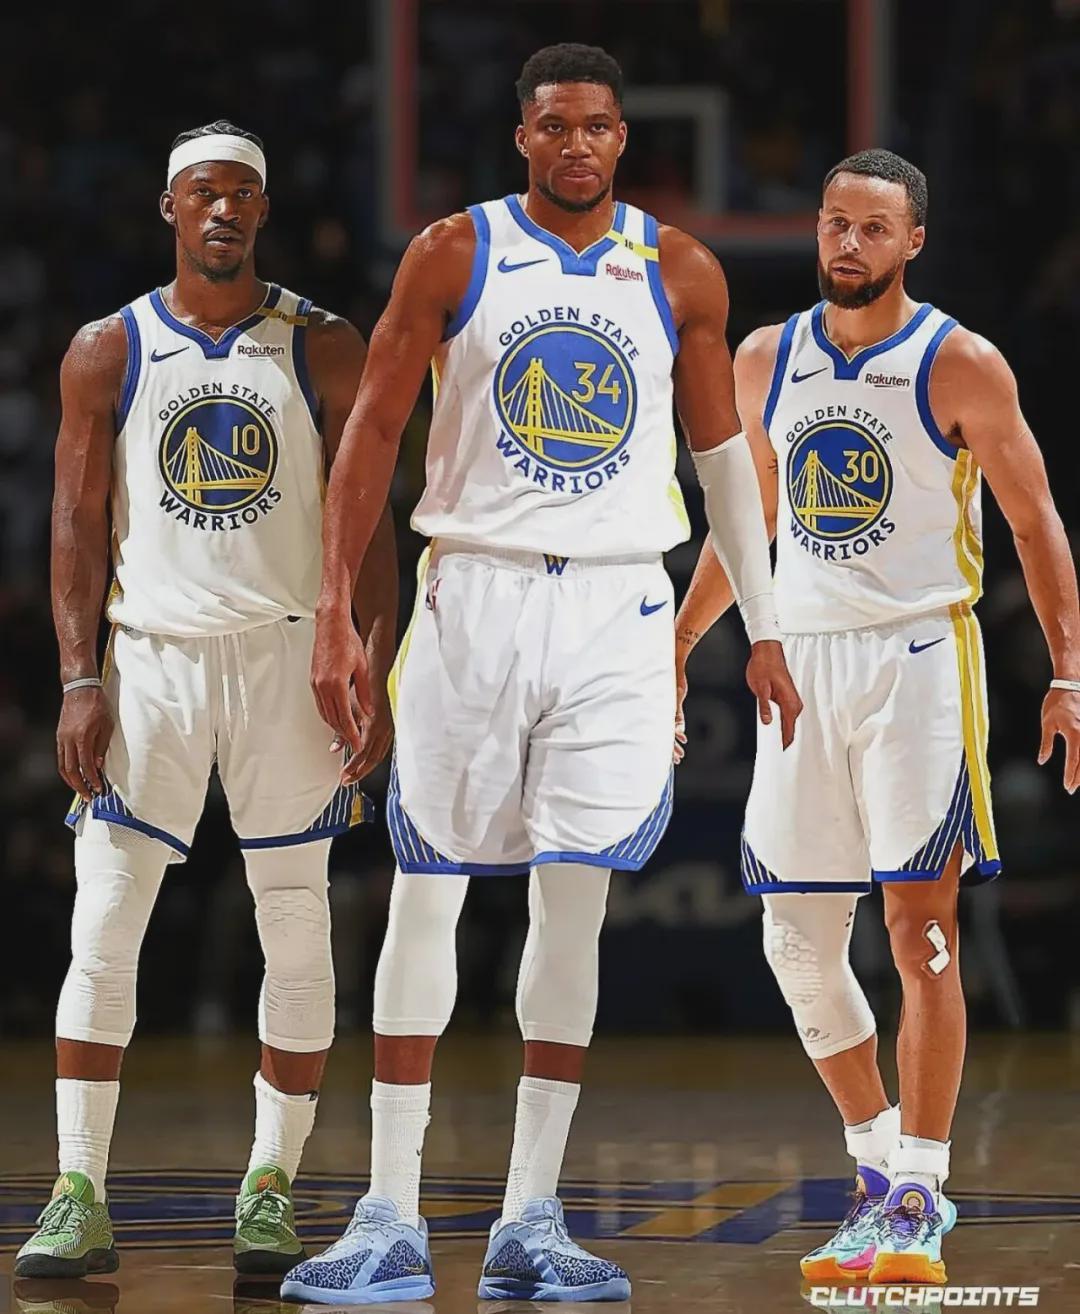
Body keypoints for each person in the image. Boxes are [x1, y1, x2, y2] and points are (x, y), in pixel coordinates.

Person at [281, 42, 800, 1306]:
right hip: (476, 588)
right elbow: (373, 432)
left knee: (577, 903)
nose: (578, 144)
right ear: (523, 134)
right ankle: (388, 1213)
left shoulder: (680, 268)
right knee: (426, 888)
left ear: (625, 137)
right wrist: (336, 611)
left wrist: (765, 622)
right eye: (557, 124)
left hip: (619, 598)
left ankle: (532, 1217)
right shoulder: (454, 251)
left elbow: (723, 460)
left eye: (598, 126)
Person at [674, 148, 1080, 1286]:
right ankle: (873, 1169)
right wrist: (678, 643)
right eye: (833, 223)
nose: (848, 244)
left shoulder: (961, 363)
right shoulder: (766, 357)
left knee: (918, 930)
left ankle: (921, 1191)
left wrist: (1070, 674)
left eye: (872, 228)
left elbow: (1037, 523)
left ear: (913, 242)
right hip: (802, 662)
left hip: (918, 658)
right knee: (795, 941)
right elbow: (747, 522)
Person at [15, 121, 397, 1281]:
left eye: (240, 193)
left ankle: (271, 1184)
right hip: (154, 661)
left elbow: (372, 523)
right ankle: (77, 1188)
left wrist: (372, 661)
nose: (222, 209)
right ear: (170, 208)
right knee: (104, 922)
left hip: (288, 659)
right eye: (202, 193)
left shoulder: (324, 345)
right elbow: (76, 524)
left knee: (296, 919)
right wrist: (79, 677)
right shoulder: (109, 349)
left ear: (262, 209)